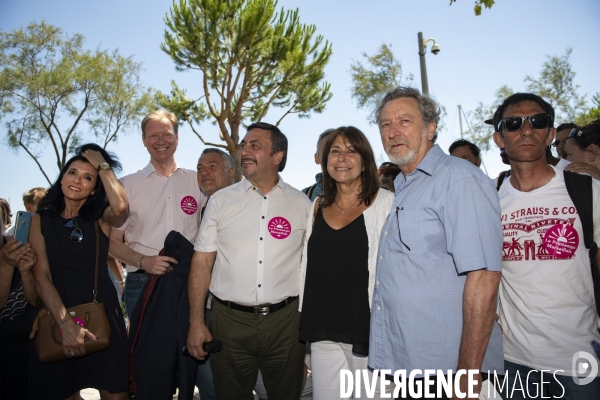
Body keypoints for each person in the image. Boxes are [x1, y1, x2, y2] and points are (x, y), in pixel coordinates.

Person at [370, 87, 504, 399]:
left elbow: (484, 277)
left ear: (430, 128)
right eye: (385, 125)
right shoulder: (404, 185)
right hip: (413, 365)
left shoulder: (459, 180)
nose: (393, 132)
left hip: (452, 371)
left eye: (404, 121)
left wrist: (468, 377)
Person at [187, 122, 310, 399]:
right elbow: (202, 263)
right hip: (228, 323)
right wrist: (196, 322)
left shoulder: (302, 204)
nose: (245, 151)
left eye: (255, 145)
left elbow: (310, 266)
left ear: (277, 157)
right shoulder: (220, 201)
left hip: (286, 324)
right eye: (244, 145)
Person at [492, 93, 600, 398]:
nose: (526, 130)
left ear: (551, 134)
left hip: (580, 359)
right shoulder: (489, 197)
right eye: (513, 123)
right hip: (512, 362)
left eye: (537, 121)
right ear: (499, 138)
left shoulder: (586, 189)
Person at [299, 126, 394, 399]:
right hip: (323, 329)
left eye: (351, 151)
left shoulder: (387, 204)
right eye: (335, 151)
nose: (342, 158)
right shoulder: (316, 206)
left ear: (365, 161)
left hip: (369, 331)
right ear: (325, 160)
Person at [28, 143, 129, 400]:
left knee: (116, 394)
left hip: (102, 314)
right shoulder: (40, 220)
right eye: (72, 173)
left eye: (87, 178)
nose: (77, 181)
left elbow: (119, 208)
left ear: (95, 187)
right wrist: (66, 323)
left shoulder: (99, 217)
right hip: (57, 315)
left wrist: (102, 165)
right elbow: (42, 276)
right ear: (62, 177)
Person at [109, 109, 205, 318]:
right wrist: (144, 261)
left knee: (193, 348)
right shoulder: (126, 185)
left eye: (167, 134)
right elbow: (111, 242)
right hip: (142, 283)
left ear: (177, 138)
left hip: (189, 282)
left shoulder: (197, 181)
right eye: (153, 135)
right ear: (144, 140)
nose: (160, 140)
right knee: (144, 351)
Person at [194, 147, 235, 400]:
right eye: (200, 168)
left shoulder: (251, 205)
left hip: (240, 314)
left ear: (231, 173)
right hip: (208, 309)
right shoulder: (204, 208)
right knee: (210, 384)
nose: (204, 172)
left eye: (212, 166)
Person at [0, 234, 38, 400]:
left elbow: (34, 300)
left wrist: (26, 271)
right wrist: (7, 267)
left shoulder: (14, 243)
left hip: (30, 344)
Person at [302, 129, 334, 201]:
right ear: (317, 158)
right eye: (327, 151)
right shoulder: (304, 197)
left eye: (336, 151)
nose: (334, 156)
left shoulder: (363, 194)